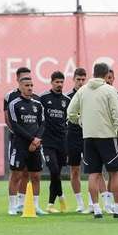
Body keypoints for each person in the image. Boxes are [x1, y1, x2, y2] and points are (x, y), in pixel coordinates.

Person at [67, 62, 118, 219]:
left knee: (93, 173)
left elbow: (70, 113)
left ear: (93, 73)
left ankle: (96, 208)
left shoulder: (82, 90)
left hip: (88, 137)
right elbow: (117, 116)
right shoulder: (110, 90)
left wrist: (81, 121)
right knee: (116, 173)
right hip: (107, 137)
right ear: (105, 75)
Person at [7, 75, 46, 215]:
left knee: (35, 176)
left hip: (35, 145)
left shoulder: (38, 105)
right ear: (20, 87)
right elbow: (15, 126)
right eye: (26, 85)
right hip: (20, 145)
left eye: (31, 85)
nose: (29, 88)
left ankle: (35, 206)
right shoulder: (14, 104)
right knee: (16, 175)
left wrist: (37, 140)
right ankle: (13, 206)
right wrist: (31, 139)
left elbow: (42, 124)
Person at [4, 67, 35, 213]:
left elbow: (40, 122)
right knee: (16, 172)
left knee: (28, 172)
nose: (28, 83)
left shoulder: (36, 100)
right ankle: (12, 205)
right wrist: (20, 135)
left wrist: (35, 139)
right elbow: (9, 120)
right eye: (24, 79)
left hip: (33, 143)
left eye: (29, 80)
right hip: (17, 140)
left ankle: (22, 204)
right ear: (18, 80)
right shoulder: (10, 97)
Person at [40, 71, 70, 213]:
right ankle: (61, 197)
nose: (59, 85)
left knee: (56, 173)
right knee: (54, 170)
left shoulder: (66, 100)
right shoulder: (43, 98)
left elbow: (68, 120)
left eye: (61, 82)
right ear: (51, 82)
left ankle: (51, 205)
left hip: (62, 142)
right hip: (47, 141)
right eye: (57, 82)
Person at [103, 68, 118, 212]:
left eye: (111, 77)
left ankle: (111, 202)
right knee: (99, 172)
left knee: (114, 171)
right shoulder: (97, 95)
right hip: (101, 136)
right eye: (106, 77)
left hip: (114, 137)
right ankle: (106, 203)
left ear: (113, 79)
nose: (108, 79)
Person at [65, 68, 89, 212]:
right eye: (78, 79)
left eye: (83, 79)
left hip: (88, 136)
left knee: (94, 170)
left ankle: (94, 203)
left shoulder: (89, 95)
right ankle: (80, 203)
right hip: (72, 136)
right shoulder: (68, 97)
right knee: (74, 170)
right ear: (73, 79)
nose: (80, 82)